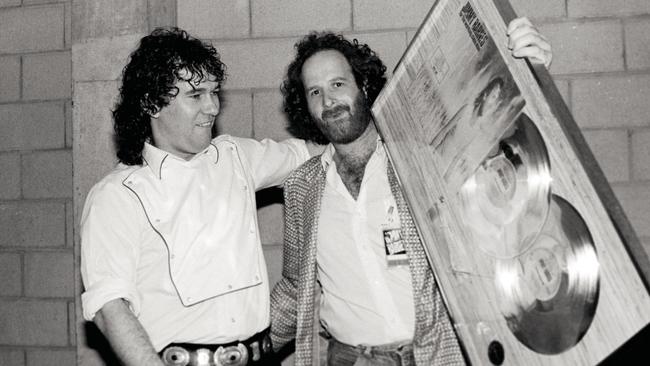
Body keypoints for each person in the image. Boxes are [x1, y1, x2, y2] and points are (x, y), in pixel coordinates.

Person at [270, 17, 553, 366]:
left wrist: (532, 74)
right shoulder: (302, 187)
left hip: (435, 355)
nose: (329, 101)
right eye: (315, 92)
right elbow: (295, 287)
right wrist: (232, 344)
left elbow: (506, 168)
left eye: (338, 83)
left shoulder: (421, 159)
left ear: (365, 86)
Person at [79, 27, 312, 366]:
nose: (213, 107)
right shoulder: (117, 195)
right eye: (196, 95)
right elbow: (109, 307)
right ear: (152, 103)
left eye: (214, 92)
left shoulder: (235, 156)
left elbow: (309, 154)